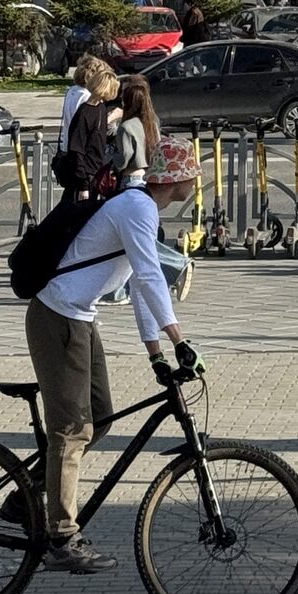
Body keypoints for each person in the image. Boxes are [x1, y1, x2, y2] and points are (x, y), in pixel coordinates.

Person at [25, 167, 196, 572]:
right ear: (176, 180)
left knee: (100, 418)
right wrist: (179, 340)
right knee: (71, 430)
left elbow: (138, 283)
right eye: (194, 173)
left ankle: (25, 494)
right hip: (58, 317)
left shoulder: (140, 206)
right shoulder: (138, 207)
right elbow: (151, 277)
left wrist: (155, 353)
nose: (197, 181)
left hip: (79, 317)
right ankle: (62, 538)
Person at [56, 57, 120, 198]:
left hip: (69, 152)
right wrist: (113, 116)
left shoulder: (72, 91)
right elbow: (89, 126)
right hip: (83, 162)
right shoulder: (86, 99)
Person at [112, 75, 159, 190]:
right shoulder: (152, 123)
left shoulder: (126, 127)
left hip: (131, 176)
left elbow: (125, 156)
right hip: (147, 175)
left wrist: (113, 160)